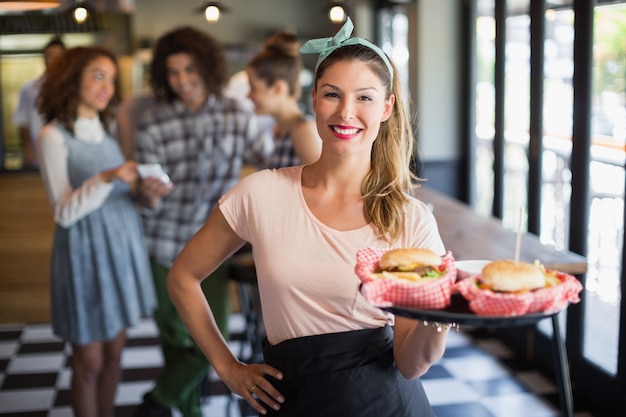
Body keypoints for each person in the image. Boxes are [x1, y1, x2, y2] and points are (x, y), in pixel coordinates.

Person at [167, 17, 449, 417]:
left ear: (386, 108)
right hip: (290, 402)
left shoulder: (411, 219)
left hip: (385, 405)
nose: (346, 112)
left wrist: (439, 314)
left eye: (365, 98)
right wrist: (227, 367)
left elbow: (411, 364)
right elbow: (182, 277)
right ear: (314, 98)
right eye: (333, 94)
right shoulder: (261, 193)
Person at [132, 26, 273, 417]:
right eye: (173, 73)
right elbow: (143, 200)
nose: (182, 81)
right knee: (177, 343)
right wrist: (147, 192)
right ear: (163, 75)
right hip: (163, 244)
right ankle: (188, 411)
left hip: (214, 247)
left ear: (207, 68)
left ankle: (157, 403)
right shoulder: (154, 124)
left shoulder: (235, 113)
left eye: (189, 70)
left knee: (213, 340)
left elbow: (270, 162)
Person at [36, 45, 157, 417]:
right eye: (98, 76)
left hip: (121, 251)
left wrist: (145, 192)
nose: (107, 86)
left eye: (111, 79)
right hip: (84, 256)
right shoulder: (53, 136)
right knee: (88, 363)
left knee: (115, 355)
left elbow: (118, 196)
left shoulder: (106, 130)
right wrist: (107, 176)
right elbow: (64, 212)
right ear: (73, 80)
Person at [247, 31, 321, 168]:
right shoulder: (280, 130)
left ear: (277, 88)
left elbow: (324, 186)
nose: (248, 95)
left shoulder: (303, 131)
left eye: (253, 88)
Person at [13, 35, 65, 169]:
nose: (53, 60)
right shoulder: (30, 88)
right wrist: (28, 150)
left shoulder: (73, 87)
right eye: (50, 55)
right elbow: (23, 122)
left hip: (66, 152)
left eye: (57, 56)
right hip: (38, 154)